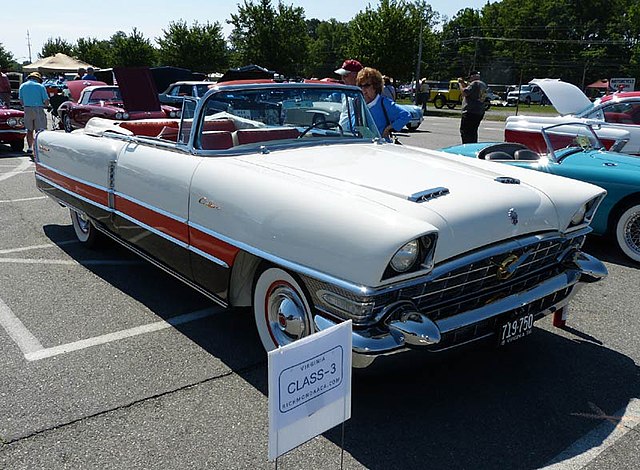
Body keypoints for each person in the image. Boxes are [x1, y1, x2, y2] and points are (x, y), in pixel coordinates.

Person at [356, 67, 410, 140]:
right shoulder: (357, 103)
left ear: (375, 86)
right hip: (359, 145)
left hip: (381, 146)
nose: (363, 90)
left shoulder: (384, 103)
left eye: (367, 86)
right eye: (360, 86)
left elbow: (406, 115)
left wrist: (388, 129)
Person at [18, 72, 49, 154]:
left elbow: (21, 100)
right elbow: (46, 101)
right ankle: (39, 148)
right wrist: (46, 105)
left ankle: (30, 148)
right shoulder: (40, 86)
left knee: (29, 129)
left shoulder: (23, 86)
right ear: (38, 79)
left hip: (27, 108)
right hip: (38, 108)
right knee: (40, 130)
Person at [457, 71, 487, 144]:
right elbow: (470, 88)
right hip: (479, 111)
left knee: (465, 132)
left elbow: (464, 92)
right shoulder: (483, 84)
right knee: (473, 132)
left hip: (470, 111)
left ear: (472, 76)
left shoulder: (474, 83)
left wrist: (460, 84)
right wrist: (464, 83)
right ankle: (473, 145)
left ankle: (466, 147)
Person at [334, 59, 364, 131]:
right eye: (342, 76)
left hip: (357, 136)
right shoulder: (345, 93)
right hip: (343, 135)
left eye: (346, 75)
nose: (343, 78)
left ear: (356, 75)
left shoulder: (365, 94)